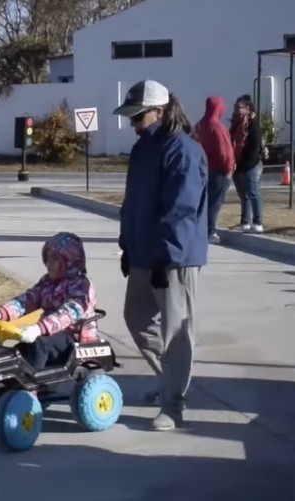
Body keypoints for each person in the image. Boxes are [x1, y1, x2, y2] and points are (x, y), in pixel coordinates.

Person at [113, 80, 208, 431]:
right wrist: (127, 245)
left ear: (161, 111)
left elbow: (180, 210)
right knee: (137, 319)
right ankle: (171, 380)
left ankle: (173, 405)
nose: (134, 124)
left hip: (173, 259)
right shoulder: (142, 150)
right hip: (141, 254)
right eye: (131, 118)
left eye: (139, 117)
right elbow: (132, 203)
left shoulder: (182, 150)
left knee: (176, 332)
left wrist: (164, 257)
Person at [0, 232, 98, 371]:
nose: (49, 264)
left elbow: (68, 313)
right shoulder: (48, 282)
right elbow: (29, 299)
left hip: (73, 335)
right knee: (21, 349)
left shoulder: (81, 286)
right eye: (47, 259)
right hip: (49, 332)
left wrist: (38, 328)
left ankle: (31, 386)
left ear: (69, 260)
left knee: (39, 345)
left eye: (55, 259)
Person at [192, 96, 235, 244]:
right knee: (214, 203)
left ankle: (200, 229)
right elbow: (225, 151)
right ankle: (210, 232)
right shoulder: (217, 127)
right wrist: (229, 168)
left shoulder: (199, 125)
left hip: (203, 169)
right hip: (218, 171)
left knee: (204, 201)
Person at [229, 94, 264, 233]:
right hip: (237, 165)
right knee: (243, 195)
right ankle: (245, 221)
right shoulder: (235, 124)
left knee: (253, 193)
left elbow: (254, 146)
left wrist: (245, 163)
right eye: (235, 107)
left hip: (250, 165)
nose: (237, 110)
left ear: (248, 109)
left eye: (240, 107)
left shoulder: (252, 124)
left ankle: (258, 222)